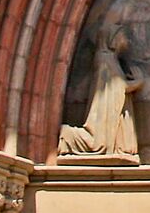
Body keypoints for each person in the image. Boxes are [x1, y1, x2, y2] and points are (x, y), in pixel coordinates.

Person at [59, 27, 142, 161]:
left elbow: (116, 87)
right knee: (96, 142)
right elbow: (116, 87)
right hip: (103, 116)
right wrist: (137, 82)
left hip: (111, 112)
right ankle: (68, 136)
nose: (126, 40)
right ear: (112, 39)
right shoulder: (105, 59)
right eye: (122, 36)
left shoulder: (111, 60)